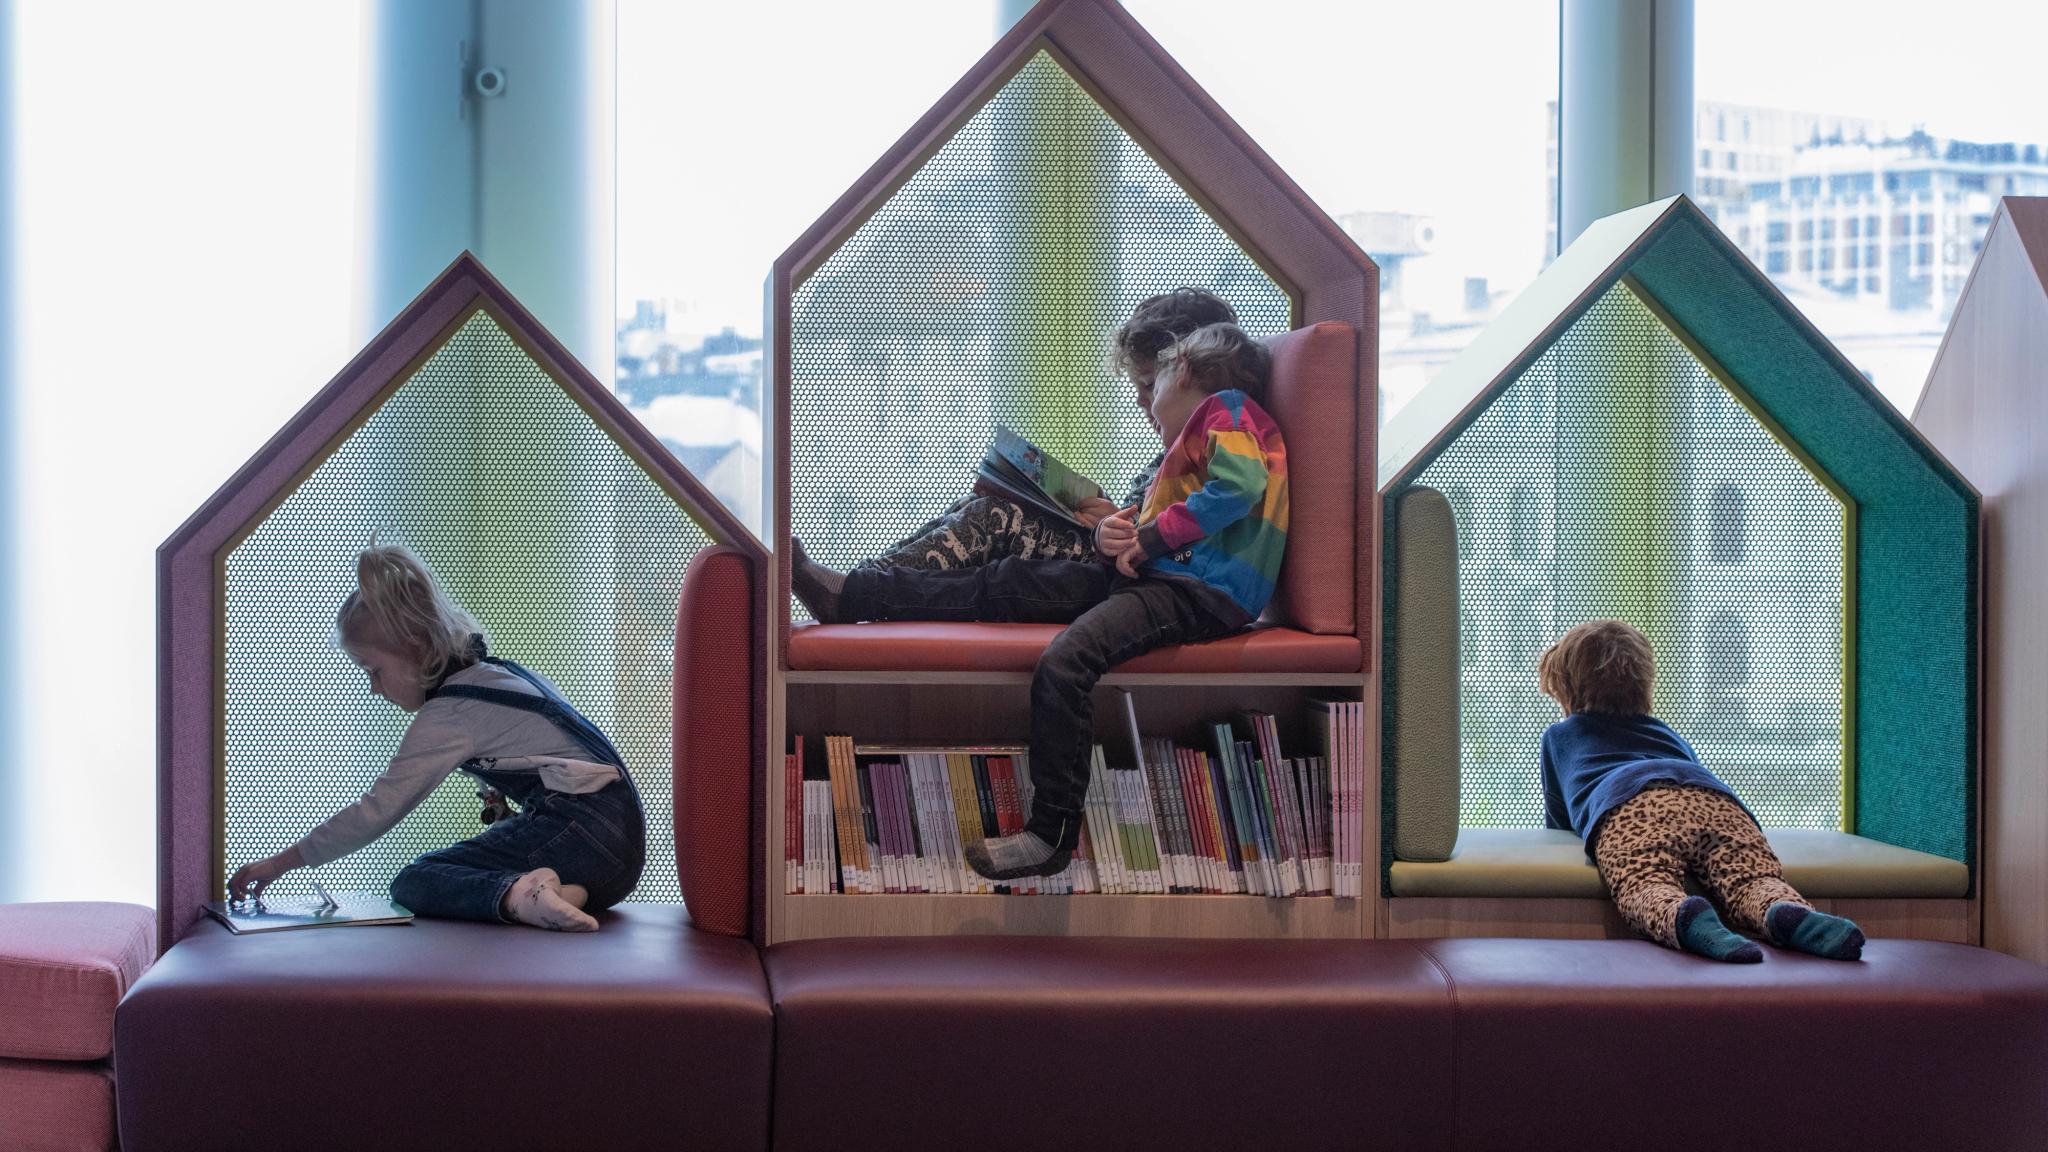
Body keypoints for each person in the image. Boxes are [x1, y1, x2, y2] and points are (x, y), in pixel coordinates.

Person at [792, 322, 1286, 881]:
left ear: (1186, 371)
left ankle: (1051, 834)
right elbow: (1171, 519)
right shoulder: (1202, 435)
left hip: (1197, 594)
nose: (1144, 401)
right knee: (1005, 581)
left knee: (1067, 661)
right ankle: (851, 596)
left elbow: (1238, 489)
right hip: (1162, 578)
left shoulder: (1228, 411)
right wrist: (1114, 535)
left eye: (1154, 383)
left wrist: (1148, 538)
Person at [225, 544, 647, 933]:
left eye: (374, 670)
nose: (374, 688)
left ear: (415, 648)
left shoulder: (450, 712)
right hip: (617, 857)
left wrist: (282, 862)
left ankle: (518, 895)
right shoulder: (494, 675)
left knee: (415, 881)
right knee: (461, 867)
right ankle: (557, 895)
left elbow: (378, 809)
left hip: (582, 832)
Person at [846, 287, 1241, 575]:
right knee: (973, 505)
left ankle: (865, 588)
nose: (1141, 401)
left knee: (994, 518)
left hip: (1131, 572)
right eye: (1137, 387)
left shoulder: (1215, 449)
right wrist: (1108, 514)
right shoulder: (1181, 446)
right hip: (1111, 548)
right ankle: (865, 579)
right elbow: (1151, 514)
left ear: (1193, 376)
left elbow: (1183, 532)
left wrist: (1119, 526)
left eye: (1151, 386)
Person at [1537, 619, 1864, 962]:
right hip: (1715, 799)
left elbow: (1559, 823)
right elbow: (1687, 777)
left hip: (1631, 807)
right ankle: (1782, 910)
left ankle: (1685, 918)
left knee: (1645, 884)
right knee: (1751, 879)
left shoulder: (1559, 737)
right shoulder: (1666, 733)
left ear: (1566, 687)